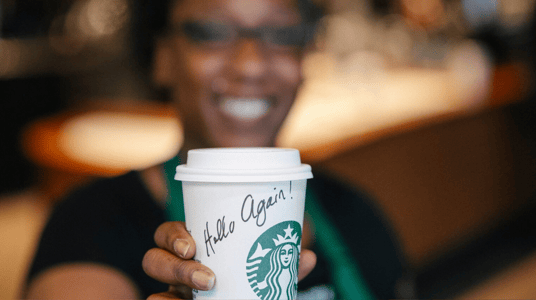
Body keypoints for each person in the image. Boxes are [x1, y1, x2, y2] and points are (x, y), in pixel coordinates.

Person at [23, 0, 406, 299]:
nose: (251, 65)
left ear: (304, 59)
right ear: (162, 57)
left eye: (281, 34)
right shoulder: (88, 225)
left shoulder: (357, 215)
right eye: (212, 31)